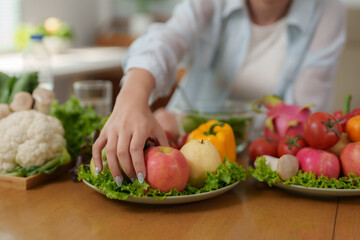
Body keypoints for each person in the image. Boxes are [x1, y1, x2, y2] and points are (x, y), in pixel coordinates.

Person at [92, 0, 346, 186]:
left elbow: (304, 113)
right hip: (183, 148)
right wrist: (131, 97)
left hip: (258, 167)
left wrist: (185, 122)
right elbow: (167, 38)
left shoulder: (327, 10)